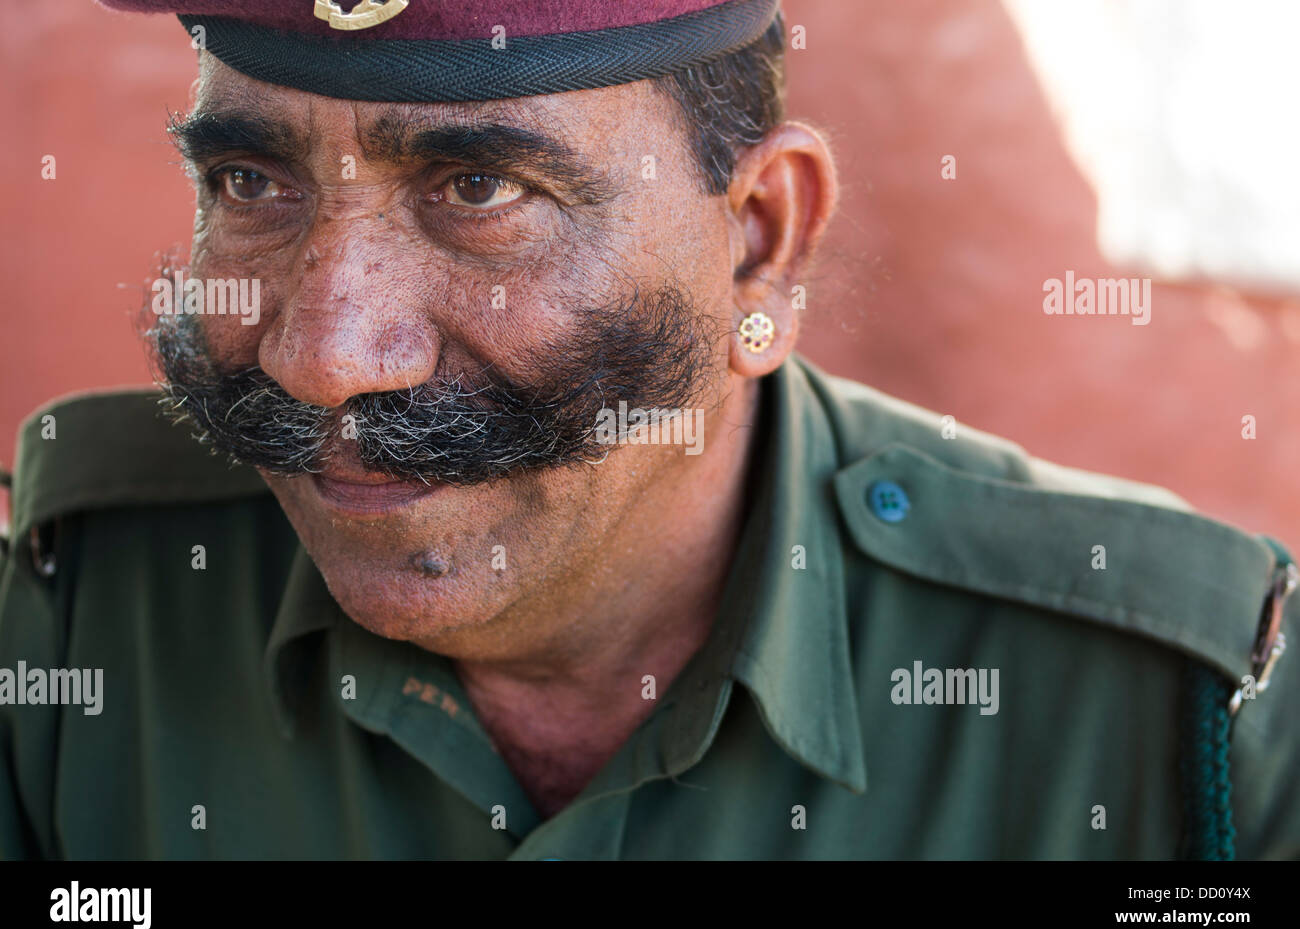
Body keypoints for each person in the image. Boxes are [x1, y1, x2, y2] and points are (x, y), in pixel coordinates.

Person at [1, 0, 1295, 859]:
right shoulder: (62, 631)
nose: (327, 355)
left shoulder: (1186, 728)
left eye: (478, 189)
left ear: (760, 244)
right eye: (251, 181)